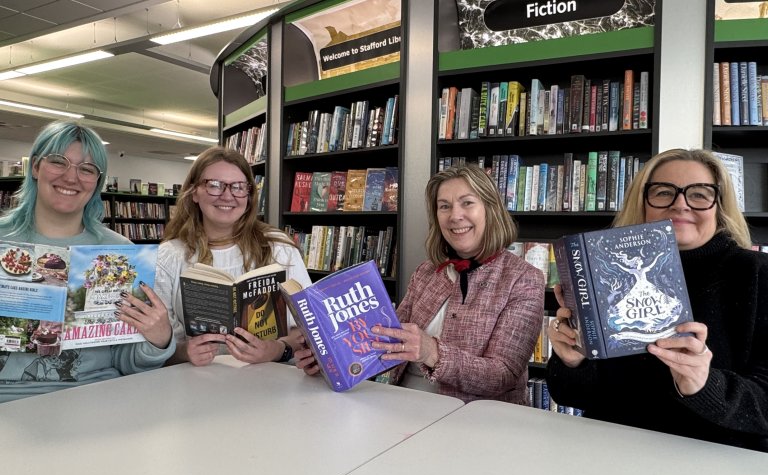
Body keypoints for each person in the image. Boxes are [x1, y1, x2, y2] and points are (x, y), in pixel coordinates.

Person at [546, 148, 768, 451]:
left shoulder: (758, 274)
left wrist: (705, 385)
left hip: (714, 460)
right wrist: (572, 361)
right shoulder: (607, 271)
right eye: (663, 192)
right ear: (643, 203)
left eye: (699, 194)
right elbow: (571, 395)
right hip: (611, 451)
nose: (680, 204)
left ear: (720, 206)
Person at [296, 164, 545, 403]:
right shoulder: (427, 272)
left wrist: (431, 352)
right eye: (444, 206)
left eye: (467, 203)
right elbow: (388, 341)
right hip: (404, 406)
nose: (455, 216)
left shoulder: (523, 279)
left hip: (474, 420)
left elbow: (502, 375)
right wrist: (332, 358)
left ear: (491, 209)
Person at [0, 120, 173, 403]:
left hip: (96, 395)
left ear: (97, 183)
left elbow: (129, 362)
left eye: (87, 169)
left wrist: (159, 338)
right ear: (36, 167)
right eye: (58, 162)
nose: (71, 177)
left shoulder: (119, 253)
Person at [155, 146, 311, 367]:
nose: (227, 196)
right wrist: (184, 352)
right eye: (214, 185)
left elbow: (308, 326)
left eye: (238, 187)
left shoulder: (278, 247)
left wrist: (275, 349)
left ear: (249, 195)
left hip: (270, 377)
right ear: (194, 192)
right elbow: (157, 343)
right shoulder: (169, 255)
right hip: (198, 379)